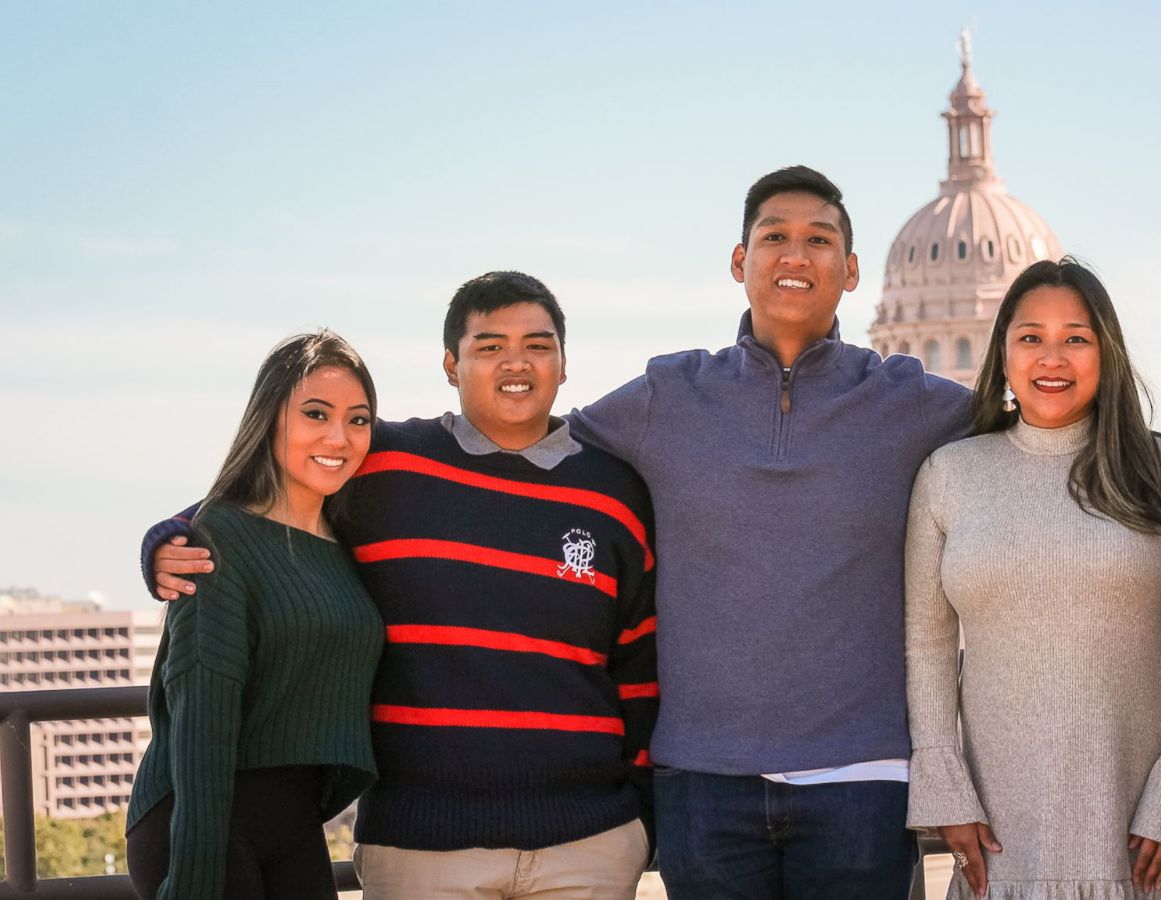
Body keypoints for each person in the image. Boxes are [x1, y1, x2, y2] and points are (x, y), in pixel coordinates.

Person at [141, 273, 657, 900]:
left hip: (589, 844)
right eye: (489, 345)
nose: (516, 362)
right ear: (450, 364)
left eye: (538, 345)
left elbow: (639, 664)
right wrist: (169, 535)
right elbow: (273, 489)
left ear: (564, 363)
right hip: (421, 847)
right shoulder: (387, 462)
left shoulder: (616, 490)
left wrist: (641, 813)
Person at [566, 166, 972, 898]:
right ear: (738, 262)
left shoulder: (911, 401)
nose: (795, 254)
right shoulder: (669, 394)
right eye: (774, 237)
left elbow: (1051, 434)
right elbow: (535, 453)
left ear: (850, 271)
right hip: (702, 778)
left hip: (863, 778)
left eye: (819, 240)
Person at [904, 259, 1161, 899]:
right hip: (998, 838)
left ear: (1107, 353)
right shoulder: (949, 473)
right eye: (1030, 337)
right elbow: (928, 644)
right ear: (1004, 353)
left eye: (1076, 337)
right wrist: (944, 785)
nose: (1053, 358)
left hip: (1137, 835)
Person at [126, 330, 386, 900]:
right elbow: (201, 714)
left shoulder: (346, 538)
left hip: (293, 821)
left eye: (359, 419)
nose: (338, 436)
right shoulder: (219, 535)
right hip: (201, 821)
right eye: (316, 414)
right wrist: (194, 874)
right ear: (270, 419)